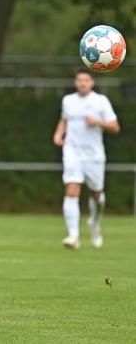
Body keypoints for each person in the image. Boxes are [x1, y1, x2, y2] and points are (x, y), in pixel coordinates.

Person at [52, 68, 120, 249]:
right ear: (75, 83)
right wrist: (59, 134)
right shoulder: (68, 101)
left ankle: (95, 223)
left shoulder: (100, 101)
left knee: (97, 194)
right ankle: (73, 235)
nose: (82, 83)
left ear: (92, 83)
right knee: (72, 189)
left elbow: (115, 127)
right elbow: (64, 119)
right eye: (79, 80)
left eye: (86, 80)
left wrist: (97, 122)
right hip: (72, 152)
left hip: (94, 156)